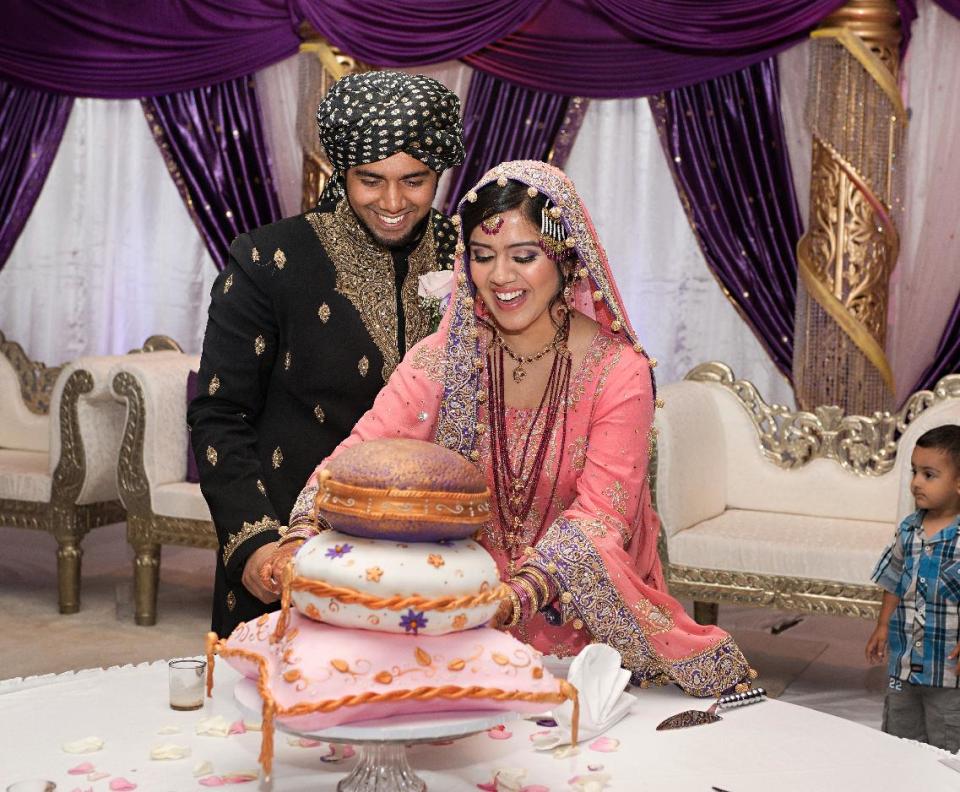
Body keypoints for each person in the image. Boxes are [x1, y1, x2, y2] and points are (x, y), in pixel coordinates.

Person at [263, 160, 753, 695]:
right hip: (459, 603)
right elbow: (361, 452)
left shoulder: (618, 371)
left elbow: (601, 519)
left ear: (565, 259)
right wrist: (300, 536)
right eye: (482, 256)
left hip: (578, 619)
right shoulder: (447, 358)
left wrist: (513, 598)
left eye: (524, 256)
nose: (500, 277)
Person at [188, 71, 464, 637]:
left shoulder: (475, 258)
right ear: (341, 170)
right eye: (370, 179)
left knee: (432, 710)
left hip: (435, 556)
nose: (392, 202)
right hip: (296, 553)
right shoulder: (266, 260)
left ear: (440, 170)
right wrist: (257, 545)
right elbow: (220, 413)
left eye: (414, 180)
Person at [866, 424, 960, 751]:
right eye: (914, 472)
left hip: (948, 672)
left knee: (948, 740)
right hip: (904, 666)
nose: (916, 482)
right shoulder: (909, 529)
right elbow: (893, 579)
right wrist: (881, 625)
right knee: (900, 737)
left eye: (929, 474)